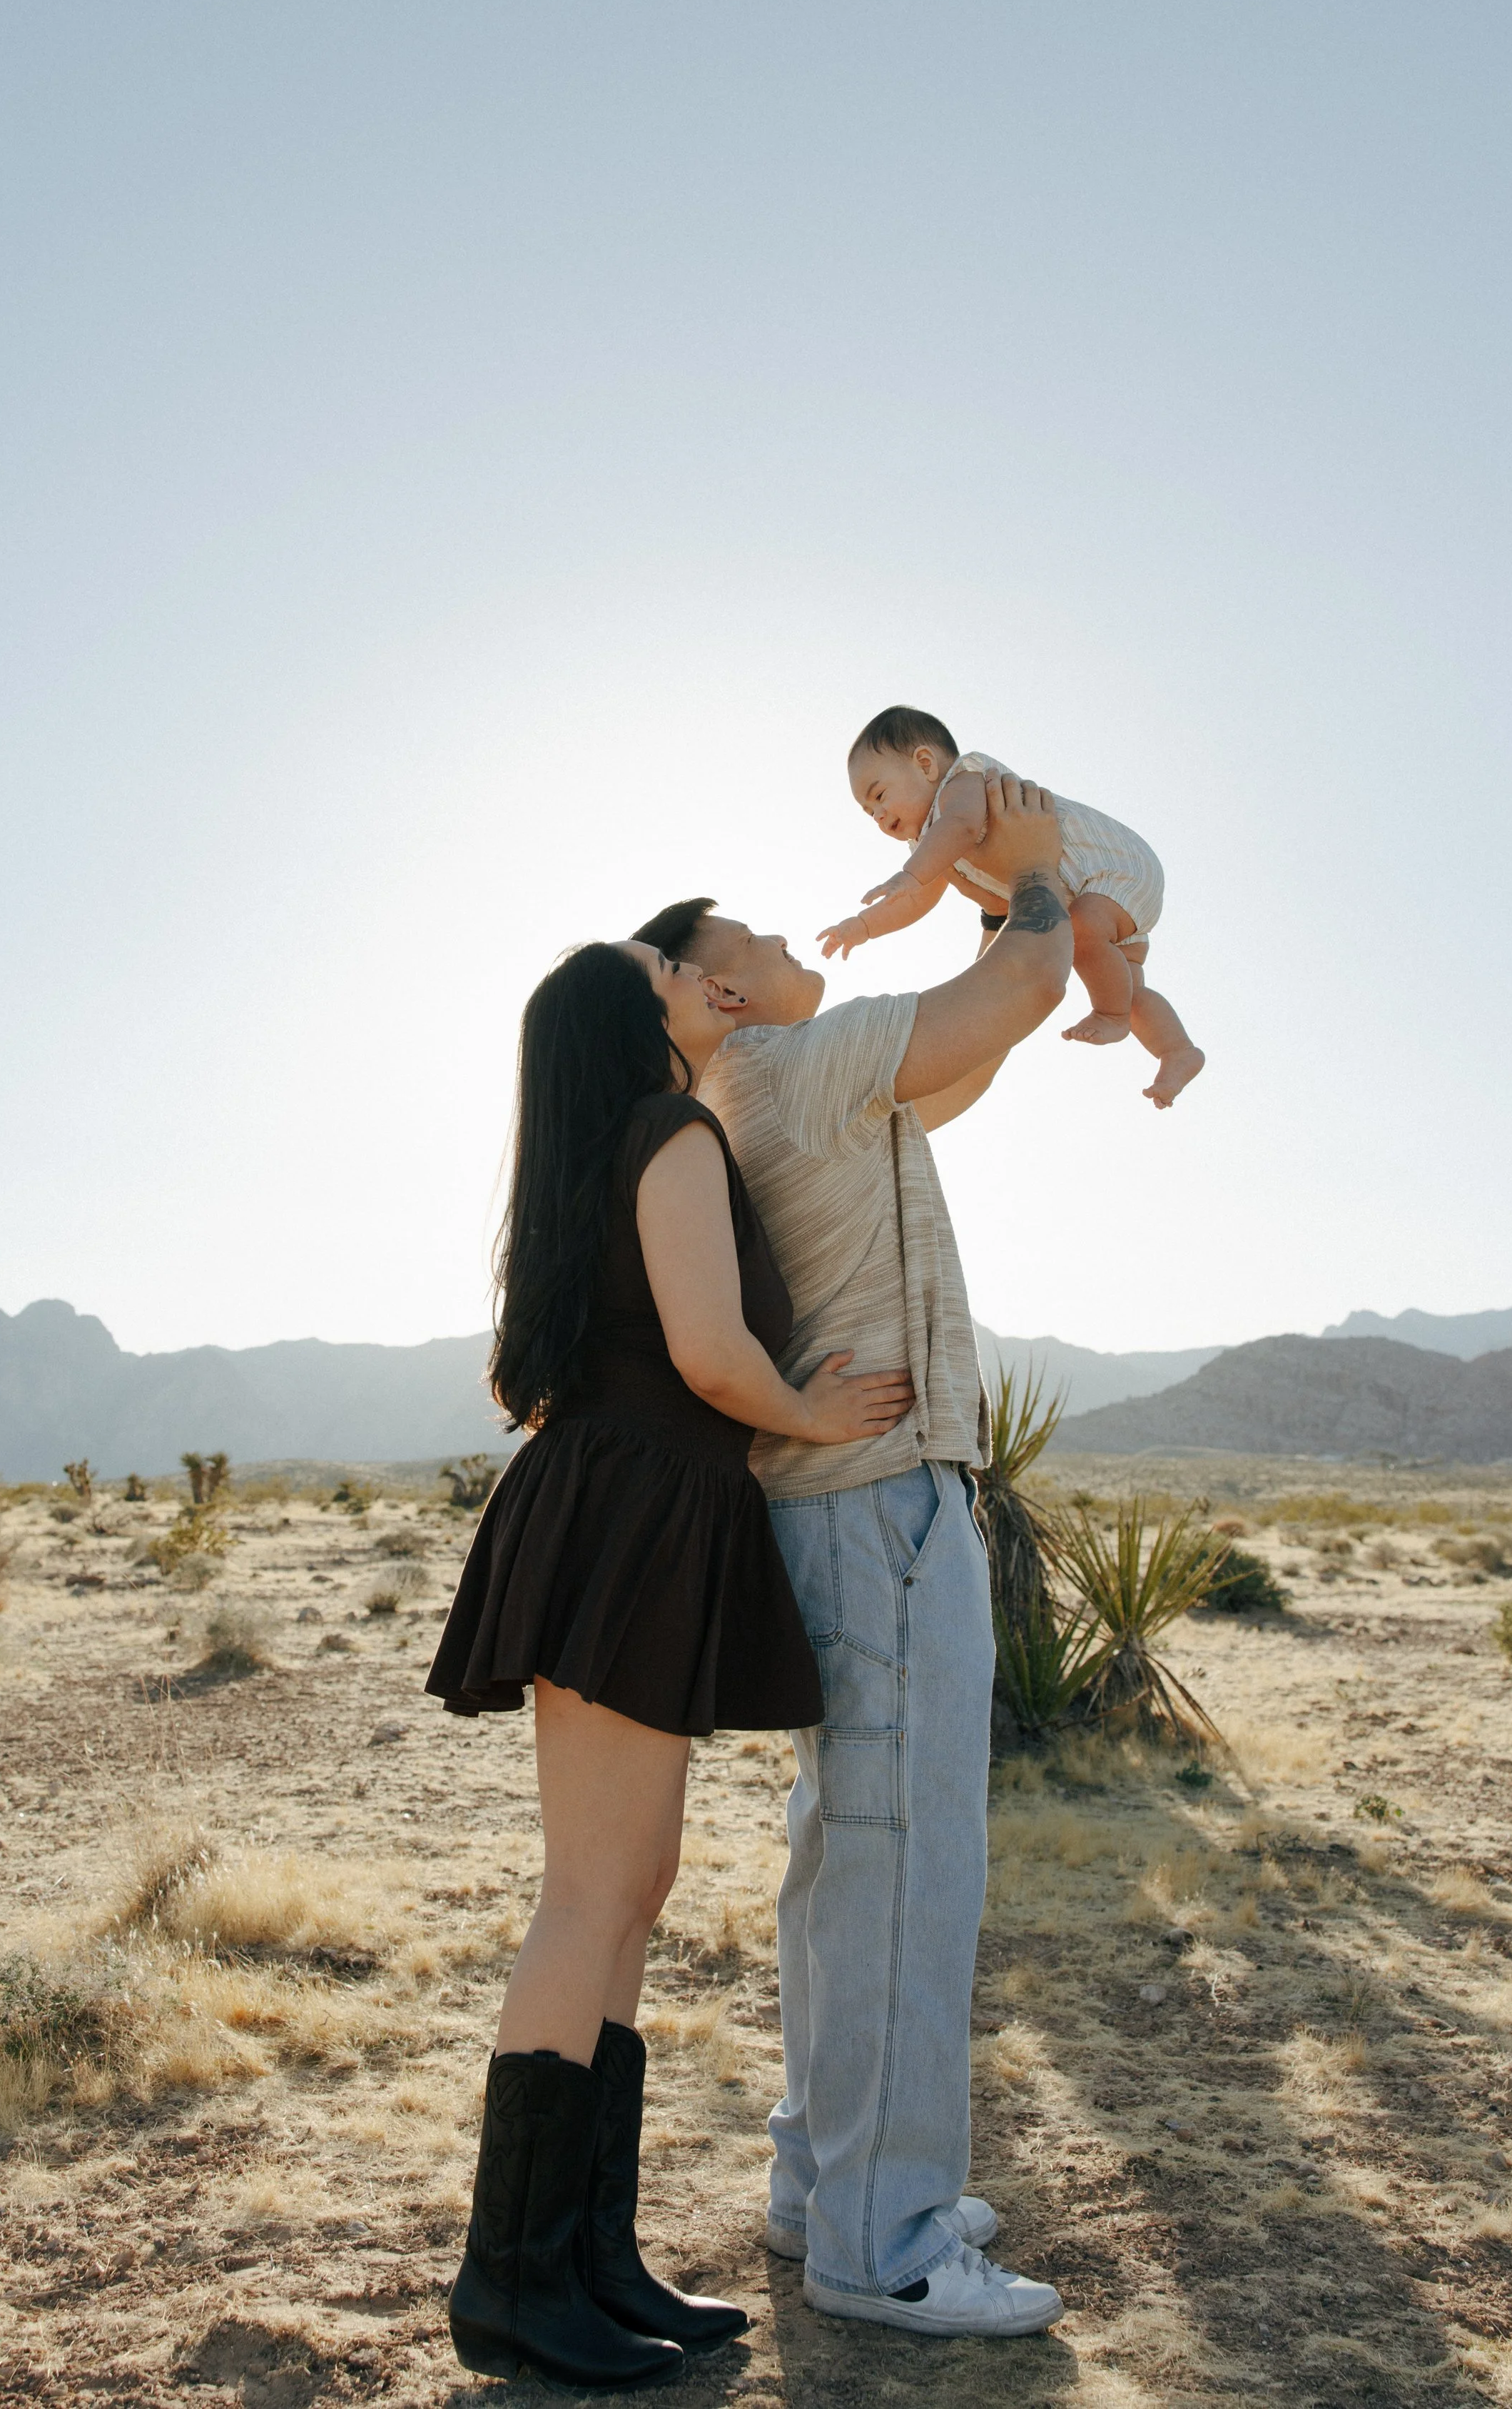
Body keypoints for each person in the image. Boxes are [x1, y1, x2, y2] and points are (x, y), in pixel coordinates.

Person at [427, 936, 915, 2387]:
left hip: (624, 1504)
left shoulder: (607, 1146)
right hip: (635, 1506)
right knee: (591, 1894)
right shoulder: (669, 1130)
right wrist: (812, 1419)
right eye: (665, 967)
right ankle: (510, 2277)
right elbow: (710, 1354)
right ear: (626, 1019)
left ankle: (586, 2252)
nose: (696, 973)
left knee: (624, 1892)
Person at [634, 770, 1072, 2339]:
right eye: (742, 932)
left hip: (859, 1505)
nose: (776, 931)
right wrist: (1029, 869)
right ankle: (881, 2247)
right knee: (901, 1860)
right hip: (881, 1505)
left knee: (850, 1857)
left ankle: (827, 2183)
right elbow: (1020, 982)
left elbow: (979, 1044)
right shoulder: (784, 1064)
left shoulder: (801, 1082)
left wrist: (988, 910)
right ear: (725, 988)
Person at [819, 703, 1205, 1108]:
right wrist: (863, 926)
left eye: (879, 796)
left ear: (926, 763)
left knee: (1081, 932)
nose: (879, 816)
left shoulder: (963, 781)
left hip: (1112, 868)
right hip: (1096, 896)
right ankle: (1176, 1051)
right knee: (1124, 982)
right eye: (869, 813)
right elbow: (916, 900)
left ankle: (1111, 1016)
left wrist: (910, 872)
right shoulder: (929, 843)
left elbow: (962, 827)